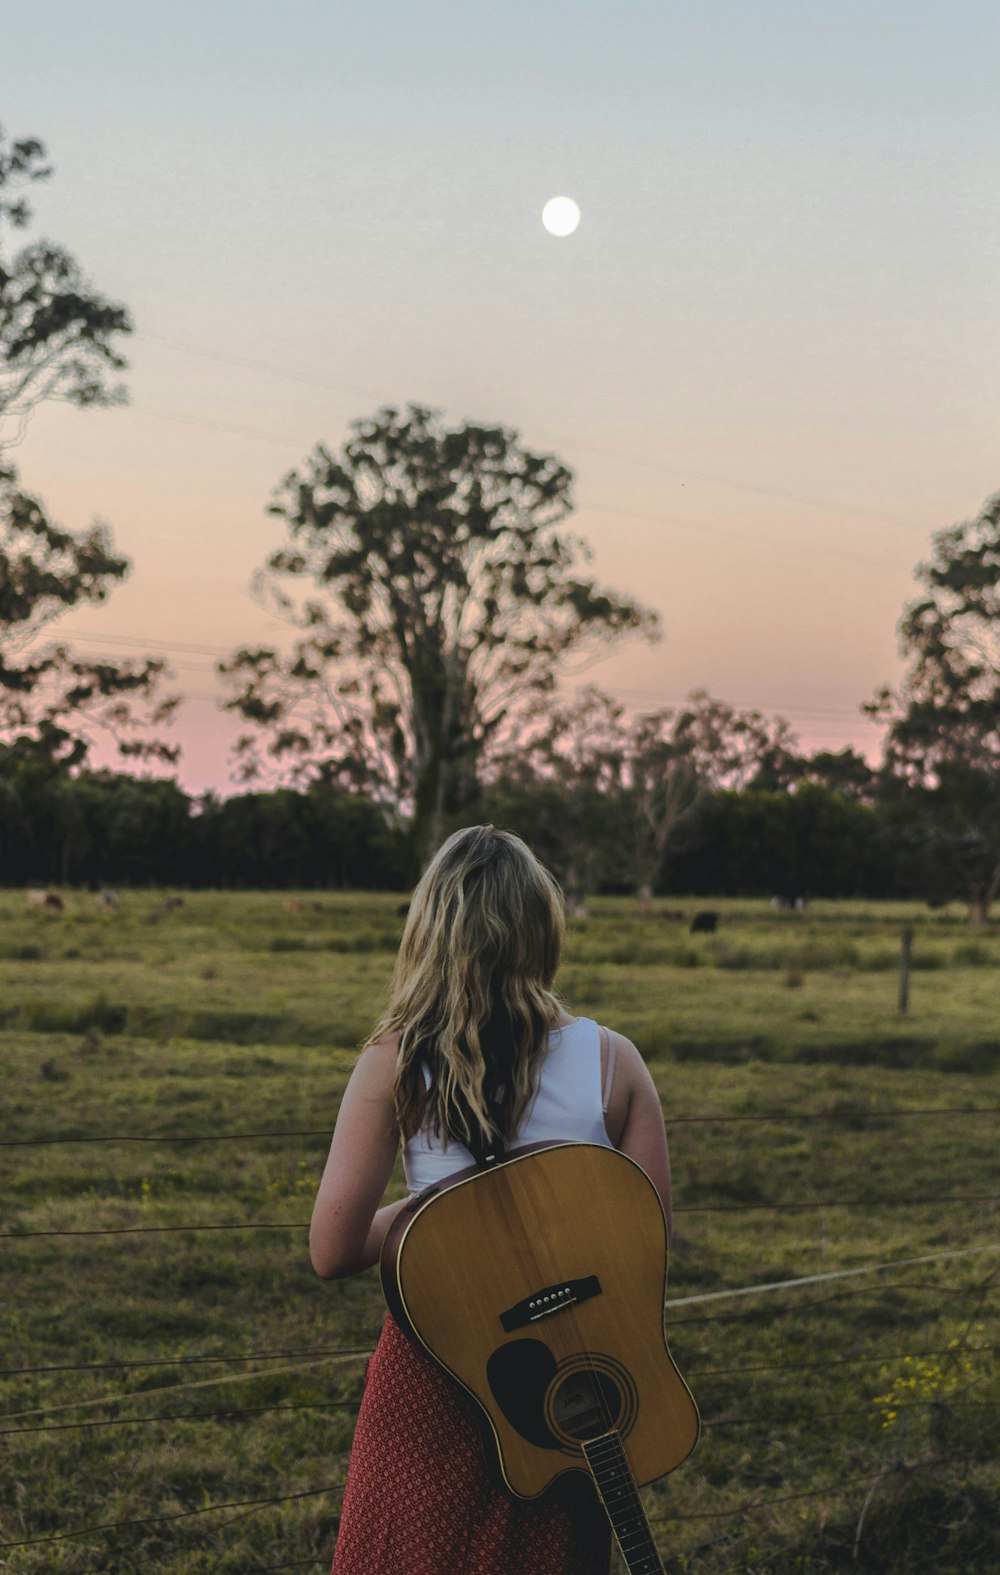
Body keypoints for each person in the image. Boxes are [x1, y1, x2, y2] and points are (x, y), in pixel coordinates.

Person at [310, 824, 673, 1575]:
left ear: (430, 929)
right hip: (566, 1384)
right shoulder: (614, 1061)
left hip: (434, 1365)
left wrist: (441, 1214)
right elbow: (647, 1246)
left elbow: (333, 1247)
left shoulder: (396, 1060)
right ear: (542, 929)